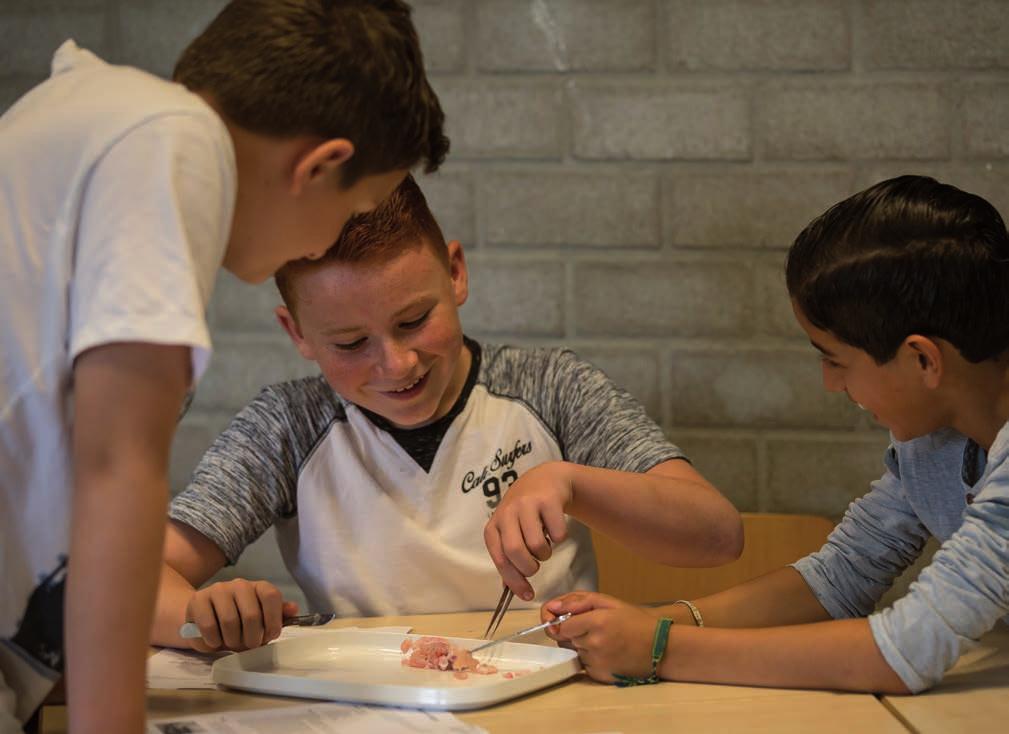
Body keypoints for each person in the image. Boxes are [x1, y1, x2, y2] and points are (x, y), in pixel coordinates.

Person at [0, 1, 447, 731]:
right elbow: (117, 467)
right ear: (320, 166)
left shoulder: (91, 109)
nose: (323, 244)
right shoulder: (169, 145)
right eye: (351, 209)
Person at [151, 174, 743, 653]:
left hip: (548, 693)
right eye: (351, 344)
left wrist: (570, 483)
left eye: (414, 321)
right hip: (363, 705)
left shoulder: (551, 387)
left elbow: (716, 534)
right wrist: (206, 617)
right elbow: (130, 586)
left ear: (455, 273)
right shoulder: (288, 425)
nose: (397, 364)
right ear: (297, 332)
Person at [542, 175, 1009, 694]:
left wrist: (659, 649)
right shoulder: (933, 435)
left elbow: (902, 653)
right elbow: (842, 576)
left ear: (922, 360)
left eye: (836, 360)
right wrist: (651, 623)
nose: (831, 383)